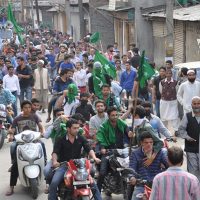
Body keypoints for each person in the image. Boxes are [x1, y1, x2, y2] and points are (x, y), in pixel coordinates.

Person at [47, 119, 102, 200]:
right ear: (68, 129)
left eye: (78, 128)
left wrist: (94, 157)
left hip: (78, 165)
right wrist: (55, 161)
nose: (77, 130)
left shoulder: (81, 138)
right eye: (74, 128)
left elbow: (89, 149)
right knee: (54, 183)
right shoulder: (60, 139)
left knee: (92, 183)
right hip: (64, 165)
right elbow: (55, 152)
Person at [6, 100, 45, 196]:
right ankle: (11, 186)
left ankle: (45, 161)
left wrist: (42, 132)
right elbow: (13, 129)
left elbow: (41, 126)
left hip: (34, 140)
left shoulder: (34, 116)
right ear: (22, 108)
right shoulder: (17, 118)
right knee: (13, 147)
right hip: (21, 141)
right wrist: (11, 135)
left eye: (29, 107)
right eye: (25, 108)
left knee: (42, 144)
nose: (27, 109)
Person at [96, 106, 133, 192]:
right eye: (113, 115)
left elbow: (126, 128)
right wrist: (102, 148)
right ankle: (97, 192)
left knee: (129, 168)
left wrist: (129, 133)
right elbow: (100, 138)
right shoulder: (103, 126)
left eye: (116, 115)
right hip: (108, 151)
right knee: (102, 172)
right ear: (108, 116)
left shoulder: (120, 122)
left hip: (120, 151)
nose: (115, 117)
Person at [129, 131, 168, 200]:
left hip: (157, 185)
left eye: (151, 142)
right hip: (141, 185)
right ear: (141, 143)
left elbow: (168, 165)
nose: (149, 144)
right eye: (146, 142)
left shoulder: (159, 153)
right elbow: (132, 169)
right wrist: (132, 177)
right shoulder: (135, 154)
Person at [177, 96, 200, 180]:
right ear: (191, 105)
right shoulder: (187, 116)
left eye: (198, 103)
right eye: (195, 103)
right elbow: (181, 130)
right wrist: (187, 137)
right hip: (191, 149)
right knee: (193, 171)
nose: (197, 105)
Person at [159, 69, 179, 135]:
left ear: (171, 74)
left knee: (174, 116)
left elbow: (177, 91)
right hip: (164, 102)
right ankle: (165, 130)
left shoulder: (176, 82)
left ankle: (176, 130)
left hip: (173, 101)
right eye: (167, 73)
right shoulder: (162, 82)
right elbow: (161, 91)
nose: (168, 75)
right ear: (165, 74)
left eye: (170, 73)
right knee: (163, 116)